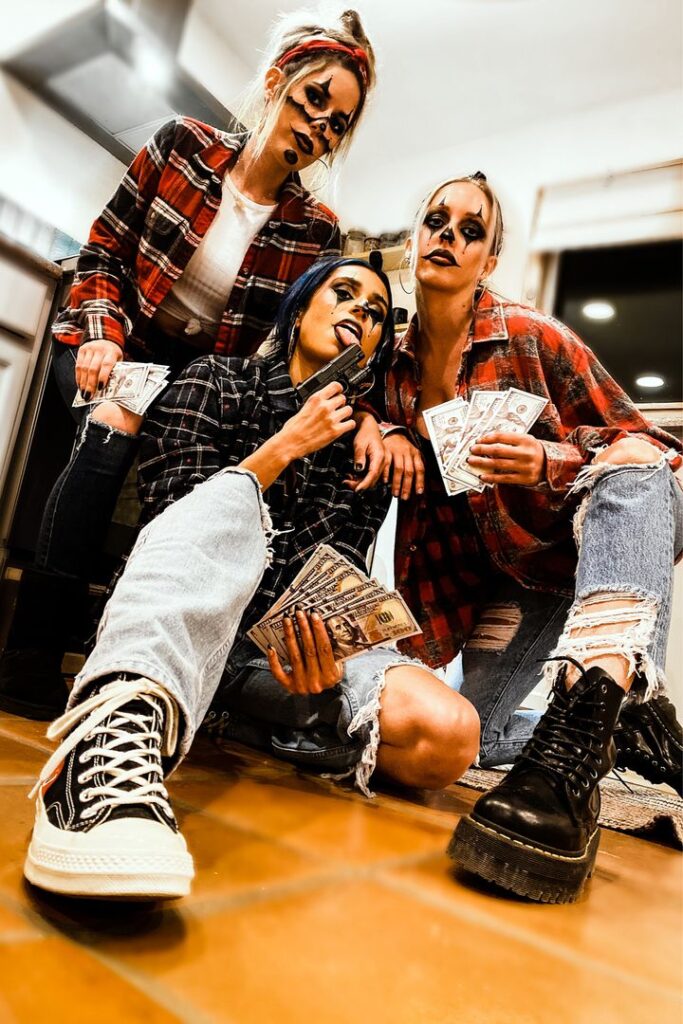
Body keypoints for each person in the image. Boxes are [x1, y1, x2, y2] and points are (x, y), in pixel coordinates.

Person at [23, 257, 480, 900]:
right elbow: (175, 531)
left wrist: (317, 653)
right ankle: (102, 749)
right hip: (179, 618)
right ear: (298, 313)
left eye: (375, 312)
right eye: (342, 294)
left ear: (378, 349)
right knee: (192, 554)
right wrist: (287, 443)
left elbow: (327, 578)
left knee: (448, 737)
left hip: (265, 660)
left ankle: (223, 719)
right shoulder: (212, 382)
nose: (359, 312)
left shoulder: (364, 455)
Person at [0, 8, 385, 722]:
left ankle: (142, 662)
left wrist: (367, 417)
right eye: (313, 102)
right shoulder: (181, 144)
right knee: (111, 428)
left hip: (196, 377)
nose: (318, 129)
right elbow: (104, 252)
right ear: (277, 82)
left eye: (336, 126)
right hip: (111, 339)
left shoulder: (316, 230)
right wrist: (100, 332)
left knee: (195, 477)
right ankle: (30, 654)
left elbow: (306, 342)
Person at [374, 172, 683, 903]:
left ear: (489, 259)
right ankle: (619, 726)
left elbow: (651, 449)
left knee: (634, 469)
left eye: (469, 229)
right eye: (436, 221)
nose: (447, 236)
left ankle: (585, 728)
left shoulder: (531, 336)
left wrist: (549, 459)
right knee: (466, 742)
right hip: (514, 582)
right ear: (414, 236)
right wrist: (378, 425)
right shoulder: (390, 371)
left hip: (593, 554)